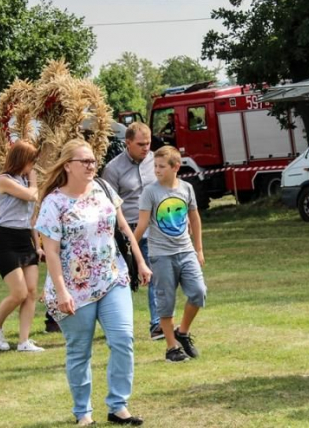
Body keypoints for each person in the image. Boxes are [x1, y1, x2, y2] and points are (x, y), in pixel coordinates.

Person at [35, 138, 152, 427]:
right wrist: (61, 291)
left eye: (92, 160)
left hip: (112, 277)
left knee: (123, 339)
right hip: (74, 289)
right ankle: (83, 413)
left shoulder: (103, 188)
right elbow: (50, 251)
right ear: (68, 166)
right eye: (84, 161)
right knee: (79, 350)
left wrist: (140, 261)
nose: (91, 165)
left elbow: (123, 228)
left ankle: (118, 406)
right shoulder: (54, 203)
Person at [134, 145, 206, 363]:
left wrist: (199, 249)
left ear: (176, 167)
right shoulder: (150, 192)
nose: (157, 170)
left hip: (185, 251)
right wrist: (131, 247)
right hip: (161, 255)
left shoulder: (186, 188)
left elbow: (195, 218)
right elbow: (142, 224)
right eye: (155, 166)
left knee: (198, 292)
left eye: (162, 166)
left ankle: (182, 332)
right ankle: (171, 347)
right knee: (165, 302)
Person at [102, 122, 162, 341]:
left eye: (148, 143)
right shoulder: (113, 169)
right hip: (126, 231)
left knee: (155, 275)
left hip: (155, 227)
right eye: (140, 144)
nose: (145, 148)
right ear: (127, 143)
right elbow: (107, 205)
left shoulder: (156, 160)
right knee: (122, 280)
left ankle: (157, 324)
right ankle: (117, 324)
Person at [0, 141, 44, 352]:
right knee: (18, 292)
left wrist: (37, 246)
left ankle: (23, 341)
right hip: (6, 240)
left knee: (31, 292)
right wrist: (35, 181)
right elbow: (32, 196)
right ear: (22, 160)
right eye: (32, 161)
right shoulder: (4, 180)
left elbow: (32, 219)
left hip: (24, 239)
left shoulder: (25, 180)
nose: (34, 165)